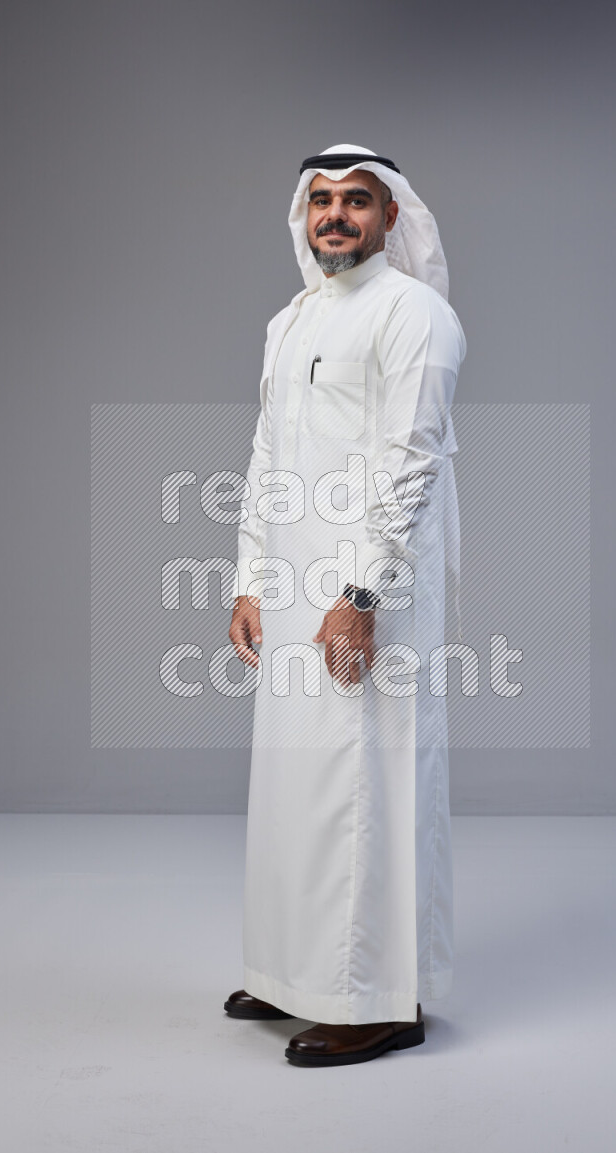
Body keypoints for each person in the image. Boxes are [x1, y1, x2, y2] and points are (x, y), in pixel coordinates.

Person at [224, 144, 466, 1066]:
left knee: (364, 781)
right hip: (291, 589)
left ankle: (375, 996)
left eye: (356, 201)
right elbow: (264, 459)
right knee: (297, 783)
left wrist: (361, 593)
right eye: (321, 201)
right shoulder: (290, 321)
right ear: (304, 216)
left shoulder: (416, 315)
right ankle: (298, 973)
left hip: (370, 592)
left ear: (390, 216)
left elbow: (411, 460)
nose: (335, 216)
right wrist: (249, 579)